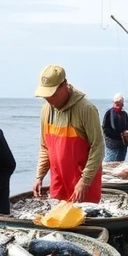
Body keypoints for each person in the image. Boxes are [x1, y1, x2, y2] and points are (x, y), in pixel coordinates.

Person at [32, 65, 104, 203]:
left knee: (83, 220)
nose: (49, 100)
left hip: (82, 182)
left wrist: (85, 181)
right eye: (45, 95)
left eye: (52, 94)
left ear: (64, 85)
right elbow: (44, 146)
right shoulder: (46, 110)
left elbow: (98, 147)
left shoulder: (86, 109)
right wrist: (39, 176)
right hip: (58, 180)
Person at [102, 93, 128, 162]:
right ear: (114, 103)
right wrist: (118, 136)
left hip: (123, 144)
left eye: (121, 104)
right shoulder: (109, 113)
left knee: (120, 164)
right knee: (109, 164)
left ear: (123, 104)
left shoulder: (124, 114)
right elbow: (105, 129)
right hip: (112, 145)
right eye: (117, 104)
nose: (119, 106)